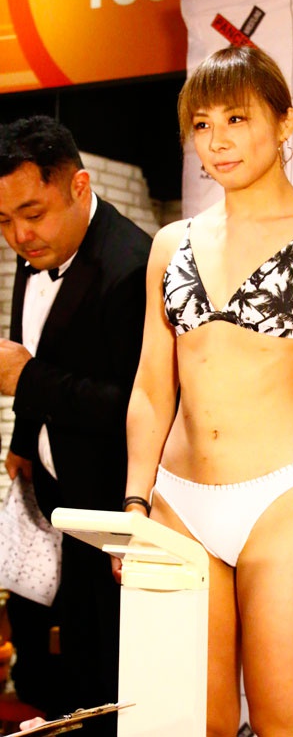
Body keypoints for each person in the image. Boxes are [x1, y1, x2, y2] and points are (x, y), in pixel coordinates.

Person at [123, 46, 293, 737]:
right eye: (202, 124)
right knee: (185, 725)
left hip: (279, 507)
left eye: (237, 118)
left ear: (285, 121)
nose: (218, 140)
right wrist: (136, 503)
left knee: (287, 726)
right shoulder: (171, 243)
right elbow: (152, 387)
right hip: (176, 505)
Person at [0, 116, 152, 735]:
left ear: (79, 186)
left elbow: (140, 407)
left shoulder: (133, 265)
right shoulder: (35, 250)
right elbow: (34, 345)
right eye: (3, 221)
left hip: (115, 511)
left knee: (115, 680)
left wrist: (28, 383)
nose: (19, 236)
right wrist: (22, 441)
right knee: (53, 674)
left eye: (32, 213)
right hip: (52, 498)